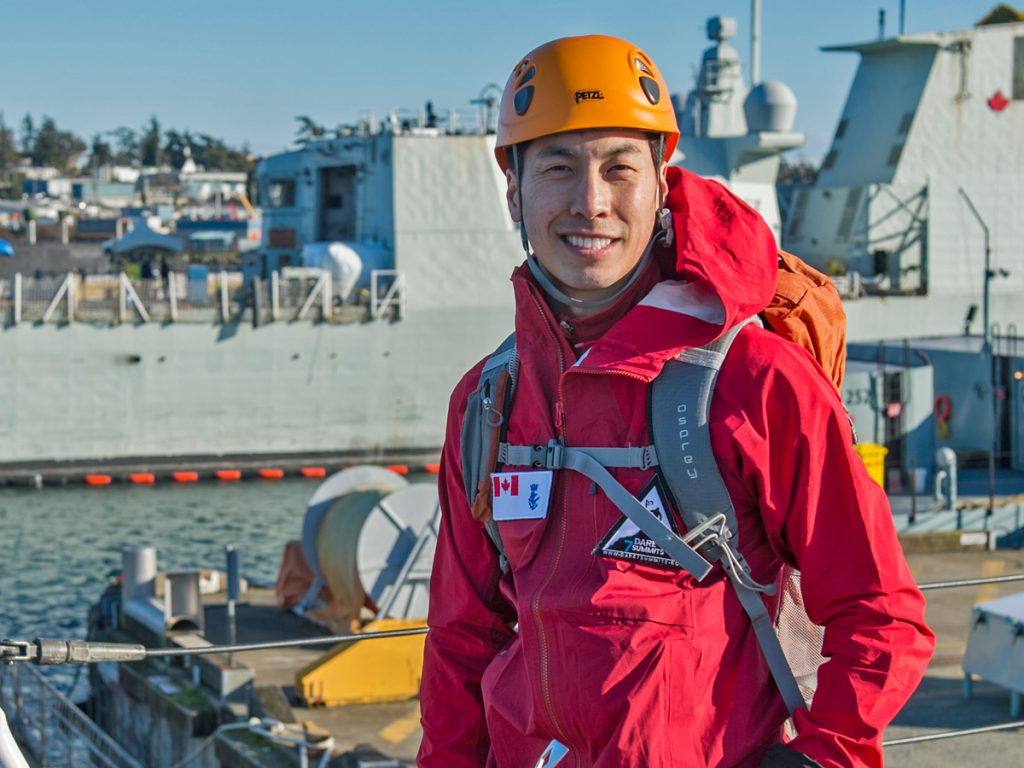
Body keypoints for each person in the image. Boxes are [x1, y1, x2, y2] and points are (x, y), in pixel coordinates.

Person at [418, 35, 933, 768]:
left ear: (661, 183)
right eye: (559, 167)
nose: (589, 203)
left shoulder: (755, 381)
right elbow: (463, 639)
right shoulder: (487, 402)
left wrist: (820, 757)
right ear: (514, 190)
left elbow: (880, 614)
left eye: (619, 168)